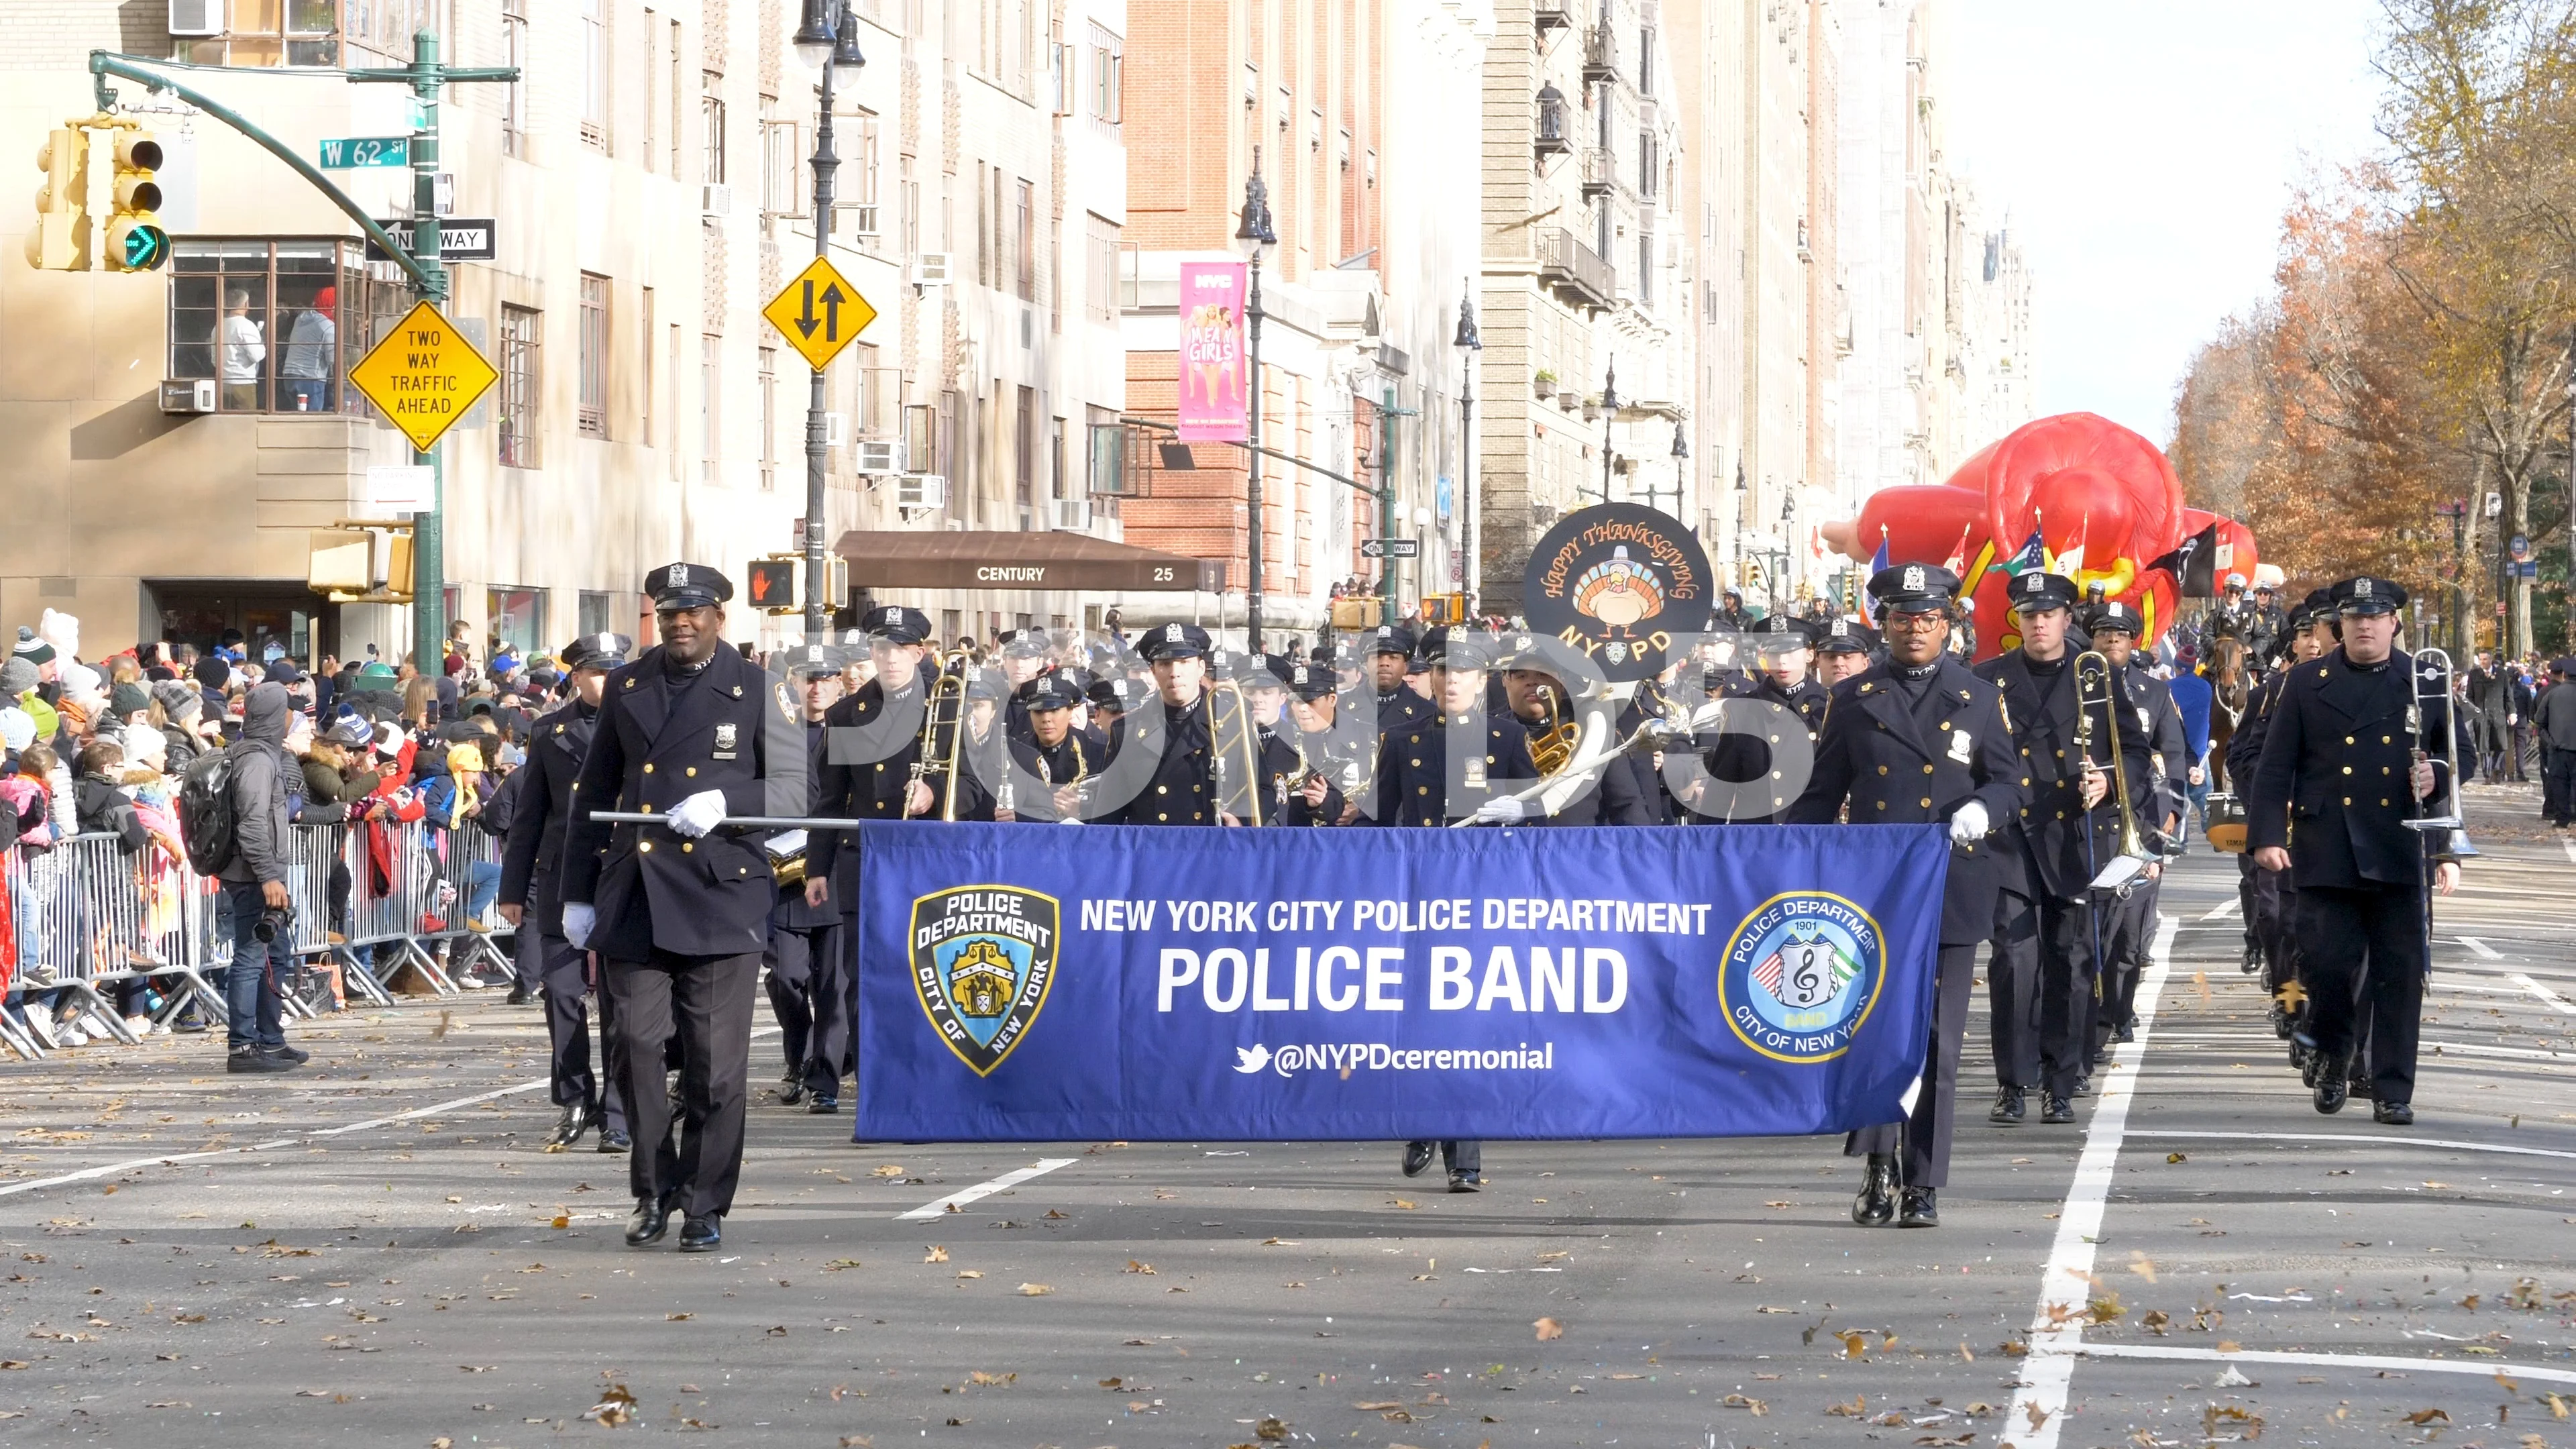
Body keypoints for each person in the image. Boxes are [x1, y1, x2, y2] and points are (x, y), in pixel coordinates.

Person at [559, 565, 802, 1253]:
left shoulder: (758, 689)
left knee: (715, 1066)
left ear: (719, 618)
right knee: (633, 1047)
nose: (680, 624)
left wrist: (729, 803)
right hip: (637, 892)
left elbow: (794, 791)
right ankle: (651, 1188)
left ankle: (703, 1201)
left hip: (719, 895)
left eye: (693, 613)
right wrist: (577, 891)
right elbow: (593, 792)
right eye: (669, 613)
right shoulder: (630, 686)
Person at [1786, 564, 2024, 1228]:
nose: (1914, 630)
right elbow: (1819, 794)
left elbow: (2011, 783)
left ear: (1947, 627)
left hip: (1951, 886)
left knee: (1938, 1042)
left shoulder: (1978, 697)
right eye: (1900, 619)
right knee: (1873, 1032)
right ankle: (1878, 1163)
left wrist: (1984, 807)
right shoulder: (1857, 696)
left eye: (1927, 620)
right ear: (1883, 626)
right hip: (1874, 891)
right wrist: (1778, 860)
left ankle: (1924, 1182)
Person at [2250, 576, 2461, 1126]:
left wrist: (2434, 783)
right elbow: (2276, 767)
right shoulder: (2304, 682)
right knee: (2326, 966)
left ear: (2394, 622)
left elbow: (2457, 757)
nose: (2365, 625)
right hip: (2328, 847)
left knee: (2398, 972)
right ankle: (2334, 1052)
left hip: (2400, 843)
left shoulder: (2423, 678)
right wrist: (2268, 835)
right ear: (2338, 625)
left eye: (2376, 615)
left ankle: (2393, 1089)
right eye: (2354, 617)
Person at [1972, 570, 2147, 1127]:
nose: (2039, 623)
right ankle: (2012, 1081)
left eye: (2049, 614)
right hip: (2011, 839)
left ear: (2069, 620)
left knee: (2072, 963)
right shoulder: (1987, 679)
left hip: (2075, 837)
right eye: (2029, 614)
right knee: (2013, 962)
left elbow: (2135, 752)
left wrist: (2111, 785)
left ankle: (2061, 1080)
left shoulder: (2093, 675)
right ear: (2017, 620)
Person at [1372, 625, 1539, 1192]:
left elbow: (1538, 821)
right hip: (1420, 895)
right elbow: (1380, 822)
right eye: (1442, 670)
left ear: (1481, 679)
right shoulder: (1402, 738)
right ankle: (1424, 1121)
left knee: (1465, 1024)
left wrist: (1522, 811)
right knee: (1422, 1022)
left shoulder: (1507, 738)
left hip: (1480, 897)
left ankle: (1463, 1158)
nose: (1451, 680)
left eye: (1463, 671)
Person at [496, 633, 635, 1152]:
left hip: (622, 874)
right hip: (560, 878)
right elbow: (530, 814)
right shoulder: (550, 730)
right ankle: (575, 1097)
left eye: (614, 670)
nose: (607, 680)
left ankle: (620, 1111)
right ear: (576, 675)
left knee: (624, 1000)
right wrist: (513, 887)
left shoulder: (639, 722)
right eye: (597, 671)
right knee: (560, 993)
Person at [2082, 600, 2186, 1065]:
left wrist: (2170, 820)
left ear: (2133, 642)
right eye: (2102, 634)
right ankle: (2092, 1029)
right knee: (2090, 935)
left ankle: (2116, 1012)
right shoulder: (2075, 685)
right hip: (2086, 825)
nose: (2110, 641)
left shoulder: (2154, 694)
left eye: (2119, 636)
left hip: (2141, 825)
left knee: (2128, 937)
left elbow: (2175, 759)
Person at [764, 643, 850, 1112]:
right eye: (807, 678)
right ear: (793, 684)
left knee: (833, 986)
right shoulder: (777, 733)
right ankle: (796, 1055)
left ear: (839, 682)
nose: (816, 687)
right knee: (786, 978)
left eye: (826, 678)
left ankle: (825, 1081)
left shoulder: (854, 733)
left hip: (833, 873)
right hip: (783, 875)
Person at [216, 683, 310, 1073]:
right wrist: (269, 876)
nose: (293, 718)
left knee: (275, 955)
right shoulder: (256, 760)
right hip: (253, 875)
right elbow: (253, 823)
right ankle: (242, 1047)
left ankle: (271, 1039)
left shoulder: (262, 753)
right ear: (276, 716)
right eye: (288, 711)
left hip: (262, 873)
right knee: (252, 957)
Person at [280, 286, 337, 412]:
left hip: (289, 376)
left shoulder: (301, 318)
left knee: (296, 419)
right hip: (311, 379)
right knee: (312, 420)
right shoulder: (328, 327)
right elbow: (333, 359)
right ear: (332, 306)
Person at [2537, 657, 2576, 828]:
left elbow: (2539, 721)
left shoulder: (2552, 694)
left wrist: (2550, 740)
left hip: (2558, 748)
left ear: (2565, 675)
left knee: (2559, 783)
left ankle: (2562, 818)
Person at [219, 289, 266, 411]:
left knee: (224, 423)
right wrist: (262, 344)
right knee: (245, 424)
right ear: (246, 304)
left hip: (223, 382)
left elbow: (214, 358)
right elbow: (257, 356)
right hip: (244, 382)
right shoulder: (247, 325)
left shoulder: (218, 326)